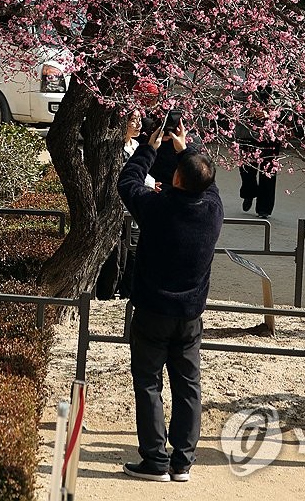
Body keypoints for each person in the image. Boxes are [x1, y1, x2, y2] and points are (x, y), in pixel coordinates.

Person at [118, 118, 223, 483]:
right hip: (190, 314)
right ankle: (183, 461)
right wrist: (186, 148)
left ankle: (154, 460)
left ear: (176, 178)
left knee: (148, 382)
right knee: (188, 383)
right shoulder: (212, 210)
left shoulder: (157, 207)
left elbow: (127, 182)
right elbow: (206, 181)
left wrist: (149, 146)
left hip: (152, 310)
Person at [95, 107, 155, 300]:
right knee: (116, 257)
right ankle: (107, 294)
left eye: (139, 119)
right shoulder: (114, 148)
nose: (138, 124)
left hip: (134, 206)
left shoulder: (136, 146)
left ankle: (128, 293)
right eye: (133, 120)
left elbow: (141, 172)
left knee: (135, 253)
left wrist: (153, 183)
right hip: (117, 207)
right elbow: (126, 174)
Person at [236, 85, 280, 218]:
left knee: (268, 172)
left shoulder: (281, 84)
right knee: (246, 169)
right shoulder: (247, 80)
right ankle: (249, 193)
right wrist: (249, 110)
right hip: (247, 132)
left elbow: (288, 106)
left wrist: (271, 114)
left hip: (270, 134)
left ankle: (264, 209)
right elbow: (233, 101)